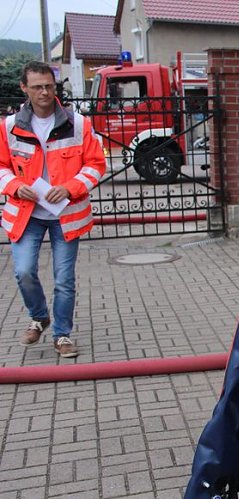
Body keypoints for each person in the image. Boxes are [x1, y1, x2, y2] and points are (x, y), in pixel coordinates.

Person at [0, 61, 105, 358]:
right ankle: (39, 316)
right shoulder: (9, 127)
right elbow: (2, 166)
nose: (44, 92)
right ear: (24, 88)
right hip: (26, 213)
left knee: (64, 279)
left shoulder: (78, 123)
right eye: (37, 87)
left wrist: (71, 187)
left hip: (66, 215)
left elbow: (96, 164)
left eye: (48, 86)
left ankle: (62, 334)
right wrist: (13, 186)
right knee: (23, 271)